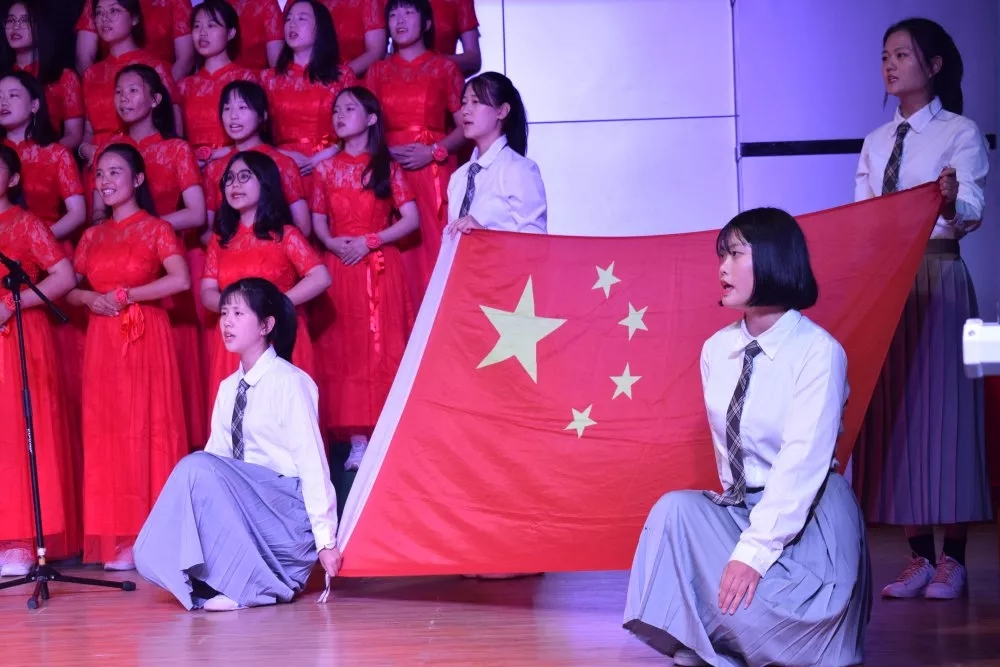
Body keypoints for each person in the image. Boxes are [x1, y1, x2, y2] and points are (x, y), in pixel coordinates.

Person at [623, 207, 870, 667]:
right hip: (746, 508)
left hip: (808, 516)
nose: (722, 268)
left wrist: (752, 554)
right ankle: (717, 636)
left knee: (787, 622)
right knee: (674, 510)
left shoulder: (818, 353)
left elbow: (801, 465)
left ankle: (753, 634)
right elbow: (729, 459)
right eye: (722, 256)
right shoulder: (717, 350)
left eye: (735, 255)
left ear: (774, 259)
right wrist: (737, 540)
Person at [852, 17, 991, 600]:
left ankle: (953, 559)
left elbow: (971, 209)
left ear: (933, 66)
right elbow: (863, 220)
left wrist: (953, 200)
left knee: (949, 415)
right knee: (900, 416)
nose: (890, 65)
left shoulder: (960, 131)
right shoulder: (875, 142)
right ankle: (917, 557)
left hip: (939, 277)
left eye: (902, 55)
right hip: (889, 285)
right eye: (885, 55)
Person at [134, 277, 342, 612]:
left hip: (284, 515)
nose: (227, 323)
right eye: (224, 313)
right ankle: (223, 575)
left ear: (265, 326)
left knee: (196, 466)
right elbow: (217, 463)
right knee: (198, 469)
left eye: (239, 314)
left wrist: (326, 541)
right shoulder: (229, 388)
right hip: (246, 510)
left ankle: (251, 582)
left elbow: (312, 464)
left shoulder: (289, 382)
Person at [67, 143, 190, 569]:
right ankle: (119, 536)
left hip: (143, 333)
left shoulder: (156, 228)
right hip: (103, 338)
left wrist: (127, 295)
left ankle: (150, 534)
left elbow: (180, 279)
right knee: (108, 432)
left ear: (137, 179)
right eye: (100, 174)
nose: (105, 181)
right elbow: (70, 287)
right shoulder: (91, 236)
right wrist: (90, 299)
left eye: (115, 172)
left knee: (146, 426)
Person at [310, 86, 419, 470]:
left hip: (378, 265)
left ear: (371, 118)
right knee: (345, 347)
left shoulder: (386, 166)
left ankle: (385, 433)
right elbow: (318, 221)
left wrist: (371, 240)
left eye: (350, 109)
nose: (339, 116)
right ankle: (357, 438)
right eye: (336, 110)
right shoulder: (324, 169)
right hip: (341, 263)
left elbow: (411, 219)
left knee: (379, 345)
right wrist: (331, 243)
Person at [200, 151, 330, 416]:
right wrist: (237, 310)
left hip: (275, 333)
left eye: (244, 177)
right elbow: (207, 292)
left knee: (281, 417)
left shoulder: (284, 234)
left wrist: (271, 305)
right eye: (229, 179)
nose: (235, 185)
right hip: (234, 339)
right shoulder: (220, 239)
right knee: (236, 419)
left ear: (265, 182)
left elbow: (320, 277)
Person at [0, 143, 79, 574]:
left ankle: (21, 539)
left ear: (13, 179)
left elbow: (63, 276)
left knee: (17, 431)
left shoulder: (26, 223)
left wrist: (11, 305)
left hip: (19, 333)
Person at [365, 0, 466, 309]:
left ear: (426, 23)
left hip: (432, 168)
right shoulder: (377, 71)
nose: (400, 20)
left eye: (409, 12)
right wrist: (384, 152)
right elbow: (365, 125)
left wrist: (434, 152)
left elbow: (465, 127)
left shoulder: (445, 68)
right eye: (393, 14)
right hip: (389, 168)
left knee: (435, 248)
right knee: (396, 254)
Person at [444, 72, 546, 237]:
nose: (465, 110)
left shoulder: (519, 170)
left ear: (502, 111)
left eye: (475, 102)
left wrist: (484, 234)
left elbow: (536, 242)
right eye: (464, 103)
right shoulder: (458, 177)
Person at [0, 0, 85, 148]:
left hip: (48, 156)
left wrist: (42, 154)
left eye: (25, 20)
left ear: (41, 26)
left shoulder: (63, 77)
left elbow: (74, 135)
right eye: (11, 20)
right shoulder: (3, 77)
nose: (16, 26)